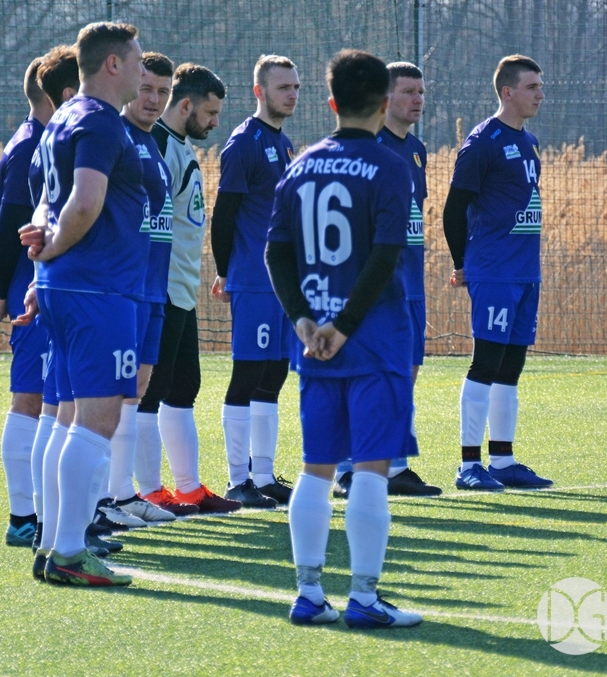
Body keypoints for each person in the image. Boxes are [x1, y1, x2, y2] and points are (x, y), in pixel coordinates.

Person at [266, 49, 422, 628]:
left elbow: (275, 252)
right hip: (374, 342)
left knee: (316, 468)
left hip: (315, 346)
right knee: (372, 470)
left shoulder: (301, 165)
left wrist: (305, 320)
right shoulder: (390, 166)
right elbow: (385, 257)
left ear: (331, 102)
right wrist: (345, 324)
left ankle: (308, 594)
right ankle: (364, 598)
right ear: (383, 104)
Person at [20, 21, 148, 587]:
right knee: (96, 421)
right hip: (97, 290)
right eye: (137, 61)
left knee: (69, 416)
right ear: (112, 64)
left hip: (68, 287)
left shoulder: (63, 118)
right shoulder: (98, 120)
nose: (143, 70)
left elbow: (44, 206)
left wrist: (44, 262)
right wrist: (53, 250)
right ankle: (70, 553)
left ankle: (53, 541)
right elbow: (84, 202)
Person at [442, 55, 552, 491]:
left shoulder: (530, 142)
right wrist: (461, 264)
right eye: (532, 86)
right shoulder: (482, 142)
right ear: (508, 92)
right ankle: (469, 465)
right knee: (486, 362)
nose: (540, 94)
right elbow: (453, 209)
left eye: (540, 86)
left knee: (511, 366)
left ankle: (503, 461)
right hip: (494, 269)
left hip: (525, 271)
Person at [333, 61, 442, 499]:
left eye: (421, 92)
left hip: (409, 283)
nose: (418, 100)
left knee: (404, 373)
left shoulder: (415, 149)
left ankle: (394, 465)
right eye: (408, 92)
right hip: (370, 285)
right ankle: (346, 469)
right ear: (384, 98)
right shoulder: (365, 147)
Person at [136, 63, 241, 514]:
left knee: (184, 386)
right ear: (185, 105)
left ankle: (189, 489)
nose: (215, 122)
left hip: (181, 289)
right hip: (159, 289)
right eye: (210, 113)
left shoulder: (180, 147)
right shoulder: (156, 145)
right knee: (150, 390)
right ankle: (148, 491)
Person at [210, 55, 301, 507]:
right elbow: (223, 215)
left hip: (282, 283)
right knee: (247, 374)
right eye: (284, 87)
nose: (292, 94)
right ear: (259, 92)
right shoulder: (243, 143)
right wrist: (225, 272)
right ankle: (237, 480)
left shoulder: (284, 143)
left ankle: (263, 476)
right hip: (253, 278)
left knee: (274, 373)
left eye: (296, 87)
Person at [101, 51, 185, 524]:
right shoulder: (116, 137)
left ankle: (122, 492)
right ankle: (105, 499)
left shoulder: (153, 144)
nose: (154, 99)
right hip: (124, 289)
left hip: (153, 288)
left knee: (137, 388)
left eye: (163, 92)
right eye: (147, 88)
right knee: (112, 392)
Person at [0, 56, 53, 548]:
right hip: (32, 289)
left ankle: (50, 512)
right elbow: (9, 225)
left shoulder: (43, 139)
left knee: (51, 400)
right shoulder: (31, 144)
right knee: (30, 398)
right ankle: (22, 517)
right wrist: (5, 288)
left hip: (42, 285)